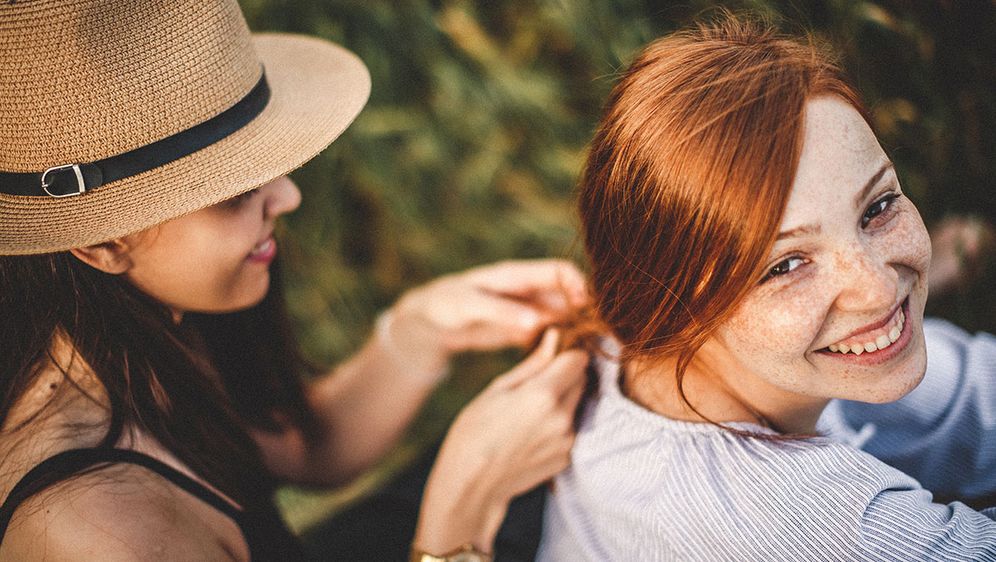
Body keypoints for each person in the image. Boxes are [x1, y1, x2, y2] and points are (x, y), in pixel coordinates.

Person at [0, 1, 589, 561]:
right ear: (104, 244)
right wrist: (461, 518)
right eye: (235, 193)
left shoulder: (149, 344)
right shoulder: (98, 535)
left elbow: (303, 449)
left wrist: (420, 330)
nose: (289, 195)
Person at [538, 14, 996, 561]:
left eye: (877, 206)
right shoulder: (829, 529)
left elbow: (978, 397)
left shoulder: (651, 353)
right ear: (675, 310)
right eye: (783, 265)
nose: (876, 287)